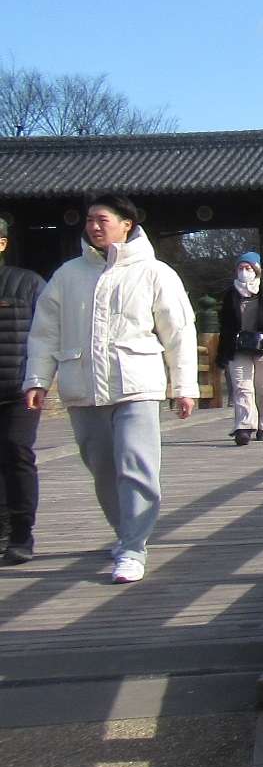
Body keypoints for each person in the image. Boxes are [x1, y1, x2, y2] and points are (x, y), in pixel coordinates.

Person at [23, 194, 196, 585]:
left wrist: (184, 387)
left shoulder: (155, 272)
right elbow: (45, 333)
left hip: (136, 384)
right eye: (89, 220)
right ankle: (126, 534)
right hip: (82, 388)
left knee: (136, 466)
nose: (93, 226)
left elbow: (179, 333)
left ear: (127, 225)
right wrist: (36, 380)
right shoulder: (67, 275)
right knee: (102, 468)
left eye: (102, 219)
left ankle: (134, 547)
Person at [0, 216, 44, 565]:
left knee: (16, 451)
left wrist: (40, 378)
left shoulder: (27, 284)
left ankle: (20, 532)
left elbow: (48, 334)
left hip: (19, 387)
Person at [218, 251, 263, 445]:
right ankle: (245, 426)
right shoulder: (231, 294)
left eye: (248, 268)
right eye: (240, 268)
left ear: (256, 270)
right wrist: (222, 352)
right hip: (238, 346)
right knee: (242, 387)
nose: (244, 272)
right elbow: (225, 325)